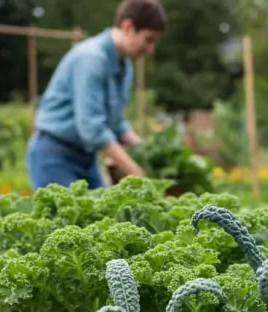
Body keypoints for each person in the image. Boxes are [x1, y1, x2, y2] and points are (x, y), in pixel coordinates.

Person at [26, 0, 166, 190]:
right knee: (67, 218)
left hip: (85, 158)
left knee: (101, 214)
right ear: (128, 27)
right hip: (55, 155)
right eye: (148, 39)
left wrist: (145, 150)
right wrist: (136, 172)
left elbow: (115, 124)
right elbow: (92, 129)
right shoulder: (92, 58)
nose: (150, 49)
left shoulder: (124, 65)